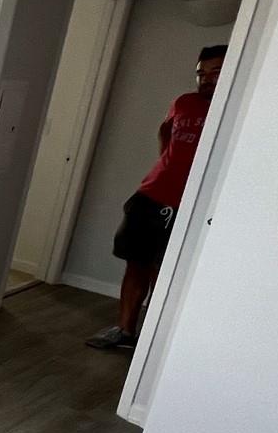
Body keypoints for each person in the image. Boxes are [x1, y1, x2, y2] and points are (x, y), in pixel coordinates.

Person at [87, 44, 226, 350]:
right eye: (201, 73)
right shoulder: (183, 102)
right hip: (150, 195)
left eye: (215, 71)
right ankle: (124, 331)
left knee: (164, 273)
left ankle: (152, 342)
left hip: (189, 206)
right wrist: (168, 165)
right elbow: (165, 132)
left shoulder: (237, 109)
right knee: (136, 263)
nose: (206, 79)